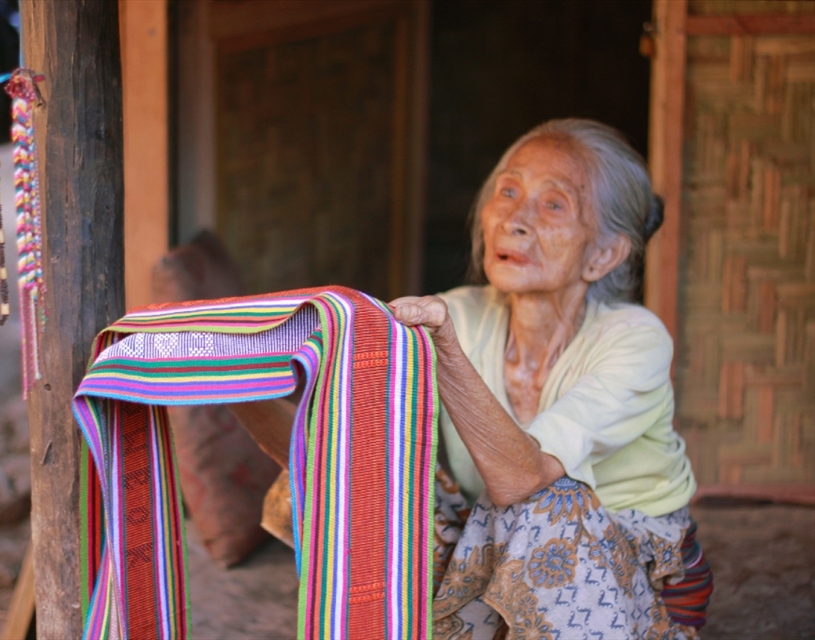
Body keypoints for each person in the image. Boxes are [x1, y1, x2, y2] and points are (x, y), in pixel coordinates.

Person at [234, 119, 712, 638]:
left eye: (553, 205)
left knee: (546, 501)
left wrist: (445, 351)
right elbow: (336, 455)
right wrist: (232, 375)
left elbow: (523, 482)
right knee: (347, 469)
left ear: (603, 254)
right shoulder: (462, 312)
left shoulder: (635, 338)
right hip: (496, 554)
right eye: (507, 191)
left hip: (635, 582)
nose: (515, 219)